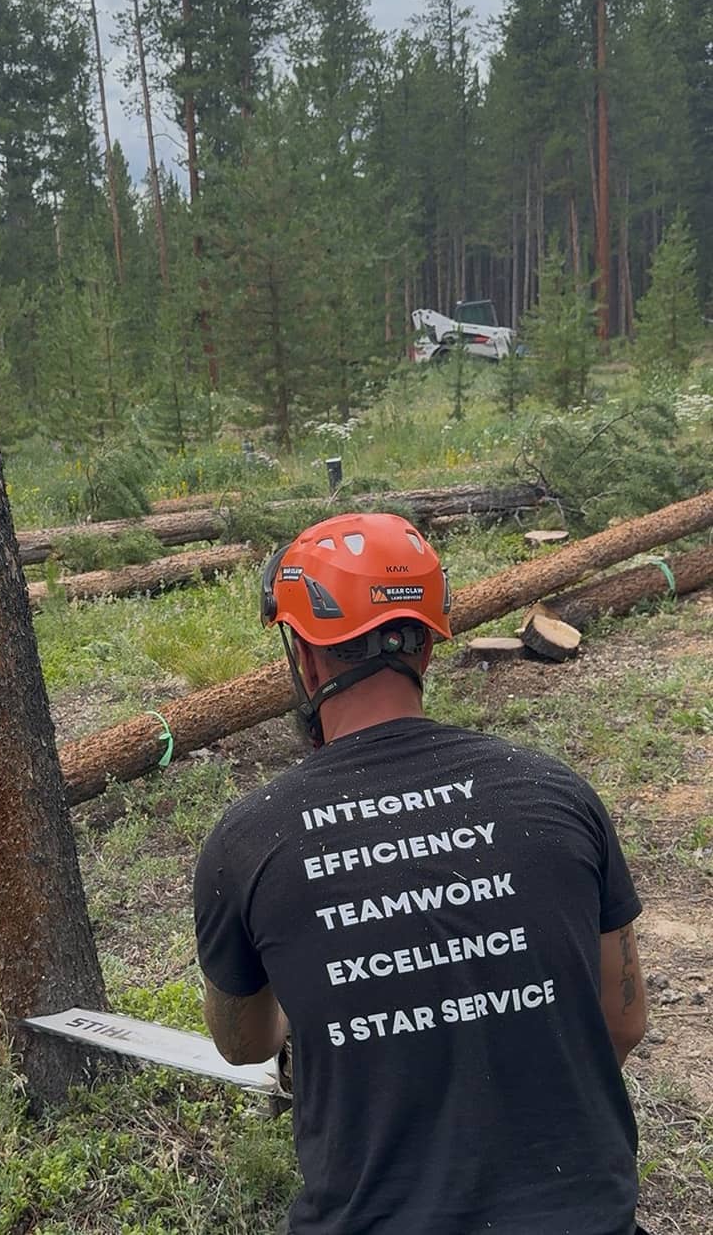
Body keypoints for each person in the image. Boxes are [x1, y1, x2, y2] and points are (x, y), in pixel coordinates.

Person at [193, 513, 649, 1235]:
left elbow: (244, 1043)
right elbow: (622, 1021)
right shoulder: (557, 794)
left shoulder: (250, 839)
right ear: (428, 651)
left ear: (307, 661)